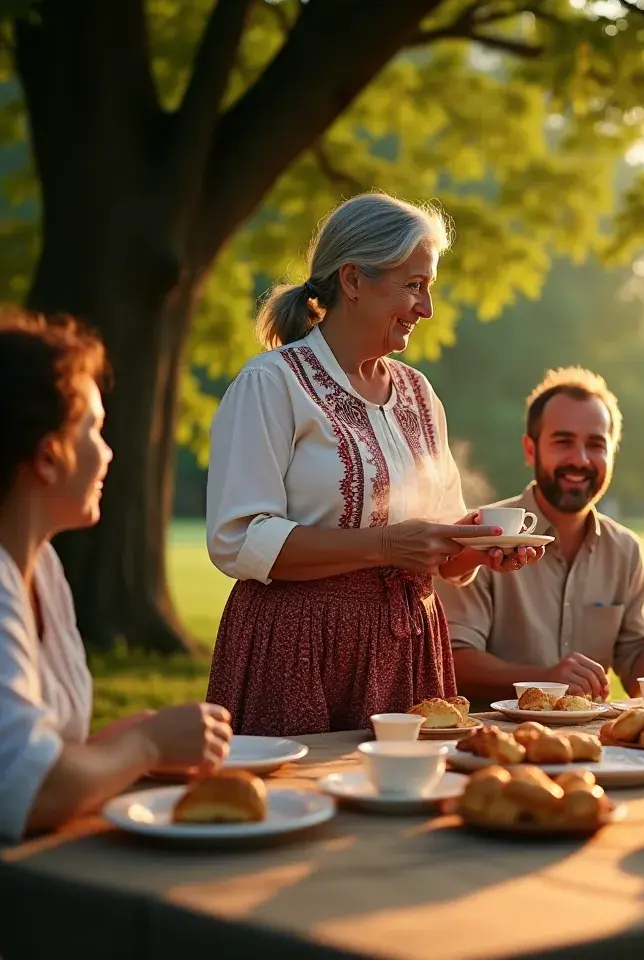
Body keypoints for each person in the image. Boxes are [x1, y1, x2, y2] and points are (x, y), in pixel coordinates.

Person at [205, 192, 543, 735]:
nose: (426, 308)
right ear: (353, 280)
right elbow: (240, 539)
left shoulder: (419, 394)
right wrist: (386, 546)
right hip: (298, 646)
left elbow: (441, 551)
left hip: (408, 644)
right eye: (413, 286)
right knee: (299, 803)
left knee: (404, 808)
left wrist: (478, 549)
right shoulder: (271, 384)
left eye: (429, 288)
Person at [0, 309, 232, 844]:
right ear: (49, 456)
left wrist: (120, 744)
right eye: (93, 429)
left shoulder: (43, 568)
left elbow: (46, 752)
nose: (107, 453)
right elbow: (27, 787)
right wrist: (146, 744)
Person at [437, 367, 644, 705]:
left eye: (596, 444)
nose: (580, 459)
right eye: (563, 441)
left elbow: (639, 682)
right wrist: (545, 681)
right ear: (529, 449)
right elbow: (453, 663)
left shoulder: (625, 550)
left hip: (591, 746)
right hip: (495, 741)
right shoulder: (484, 536)